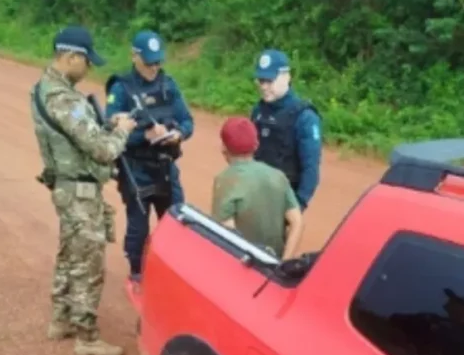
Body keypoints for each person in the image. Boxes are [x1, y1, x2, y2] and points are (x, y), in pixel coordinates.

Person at [31, 25, 137, 355]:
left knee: (70, 253)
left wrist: (105, 123)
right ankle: (86, 335)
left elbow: (79, 135)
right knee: (89, 262)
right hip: (79, 190)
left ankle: (61, 319)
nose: (88, 68)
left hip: (69, 186)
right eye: (86, 60)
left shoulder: (47, 89)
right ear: (71, 56)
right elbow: (102, 150)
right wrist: (120, 132)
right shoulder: (63, 98)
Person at [105, 31, 194, 283]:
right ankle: (137, 273)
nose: (154, 68)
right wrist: (143, 136)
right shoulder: (121, 89)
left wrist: (178, 134)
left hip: (166, 165)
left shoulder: (169, 85)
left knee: (177, 220)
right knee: (139, 225)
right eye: (149, 62)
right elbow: (109, 131)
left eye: (158, 62)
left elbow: (188, 120)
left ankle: (174, 270)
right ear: (134, 57)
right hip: (136, 168)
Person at [211, 117, 304, 260]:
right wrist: (283, 263)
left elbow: (226, 234)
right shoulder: (278, 176)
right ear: (256, 145)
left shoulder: (225, 180)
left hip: (246, 265)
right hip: (274, 261)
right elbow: (297, 222)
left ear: (223, 148)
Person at [250, 49, 323, 210]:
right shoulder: (258, 112)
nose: (264, 87)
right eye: (261, 81)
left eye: (270, 80)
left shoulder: (305, 118)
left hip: (284, 201)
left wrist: (298, 206)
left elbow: (310, 169)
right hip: (256, 196)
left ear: (286, 77)